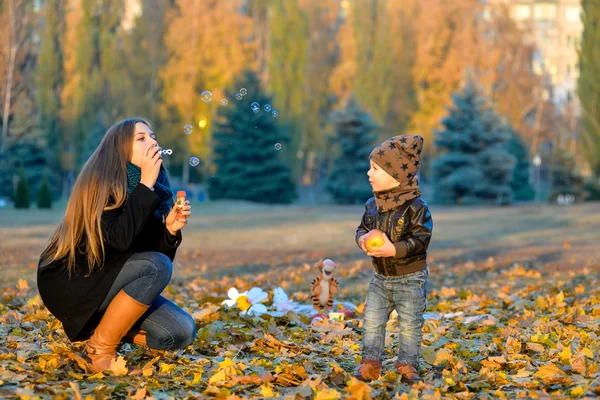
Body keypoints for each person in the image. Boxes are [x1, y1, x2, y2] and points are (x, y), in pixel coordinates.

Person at [37, 118, 196, 374]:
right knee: (157, 266)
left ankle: (105, 329)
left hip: (112, 283)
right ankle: (99, 352)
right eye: (141, 138)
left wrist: (169, 231)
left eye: (153, 136)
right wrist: (146, 184)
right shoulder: (101, 182)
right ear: (120, 148)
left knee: (180, 332)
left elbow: (150, 262)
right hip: (75, 283)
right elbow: (119, 241)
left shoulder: (154, 189)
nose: (152, 142)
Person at [354, 135, 433, 384]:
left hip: (410, 278)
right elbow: (361, 229)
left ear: (395, 174)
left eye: (375, 168)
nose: (368, 173)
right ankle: (370, 363)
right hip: (381, 278)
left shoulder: (416, 207)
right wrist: (363, 240)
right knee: (372, 321)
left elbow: (421, 239)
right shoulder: (372, 205)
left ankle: (407, 365)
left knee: (409, 325)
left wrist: (393, 250)